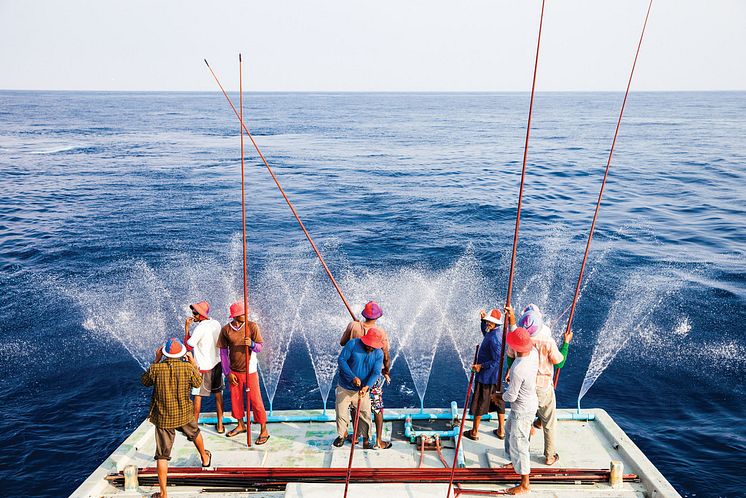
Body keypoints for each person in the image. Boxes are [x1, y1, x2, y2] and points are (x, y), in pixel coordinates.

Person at [141, 338, 212, 498]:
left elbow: (144, 381)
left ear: (164, 353)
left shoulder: (156, 369)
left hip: (163, 417)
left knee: (162, 455)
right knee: (195, 434)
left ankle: (163, 493)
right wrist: (193, 363)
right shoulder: (187, 368)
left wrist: (156, 360)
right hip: (184, 413)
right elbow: (197, 383)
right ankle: (205, 458)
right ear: (181, 353)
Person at [507, 304, 572, 465]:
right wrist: (566, 344)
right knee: (549, 422)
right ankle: (549, 456)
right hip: (543, 387)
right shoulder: (547, 340)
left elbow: (510, 358)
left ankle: (522, 454)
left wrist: (511, 370)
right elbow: (559, 363)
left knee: (524, 422)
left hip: (525, 388)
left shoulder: (519, 338)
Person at [339, 301, 392, 449]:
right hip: (371, 379)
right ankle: (378, 441)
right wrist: (386, 371)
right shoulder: (380, 333)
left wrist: (354, 330)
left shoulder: (353, 326)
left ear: (364, 314)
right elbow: (385, 355)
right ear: (378, 317)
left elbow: (343, 343)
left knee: (355, 405)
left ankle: (356, 436)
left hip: (353, 374)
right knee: (376, 407)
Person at [217, 301, 270, 444]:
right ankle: (241, 425)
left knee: (256, 400)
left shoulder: (252, 327)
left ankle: (264, 430)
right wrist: (228, 373)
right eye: (242, 313)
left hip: (250, 371)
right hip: (234, 372)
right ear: (234, 316)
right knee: (236, 400)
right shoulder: (226, 330)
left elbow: (259, 348)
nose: (246, 315)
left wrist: (252, 344)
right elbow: (223, 353)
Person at [333, 328, 385, 449]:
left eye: (373, 347)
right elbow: (341, 360)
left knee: (365, 415)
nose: (370, 348)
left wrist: (367, 386)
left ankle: (366, 440)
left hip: (362, 390)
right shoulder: (353, 344)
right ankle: (342, 436)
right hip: (345, 387)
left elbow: (376, 372)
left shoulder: (379, 353)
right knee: (341, 413)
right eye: (369, 346)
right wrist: (352, 377)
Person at [502, 327, 539, 496]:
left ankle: (525, 484)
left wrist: (499, 396)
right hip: (531, 404)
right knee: (509, 431)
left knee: (519, 444)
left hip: (521, 410)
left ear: (516, 348)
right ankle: (514, 463)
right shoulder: (533, 354)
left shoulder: (518, 369)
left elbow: (511, 396)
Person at [464, 308, 506, 441]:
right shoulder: (494, 332)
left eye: (489, 321)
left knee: (480, 403)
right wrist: (483, 321)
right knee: (499, 402)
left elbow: (497, 360)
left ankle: (474, 432)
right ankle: (501, 430)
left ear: (496, 323)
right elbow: (485, 333)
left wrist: (480, 366)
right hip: (495, 377)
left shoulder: (495, 339)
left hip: (486, 377)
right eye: (488, 321)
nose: (488, 323)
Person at [185, 300, 225, 433]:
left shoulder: (200, 328)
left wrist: (186, 328)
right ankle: (220, 425)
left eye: (195, 313)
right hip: (217, 364)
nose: (193, 315)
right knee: (218, 394)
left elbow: (188, 346)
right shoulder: (216, 323)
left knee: (197, 396)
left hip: (203, 367)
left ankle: (194, 427)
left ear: (201, 315)